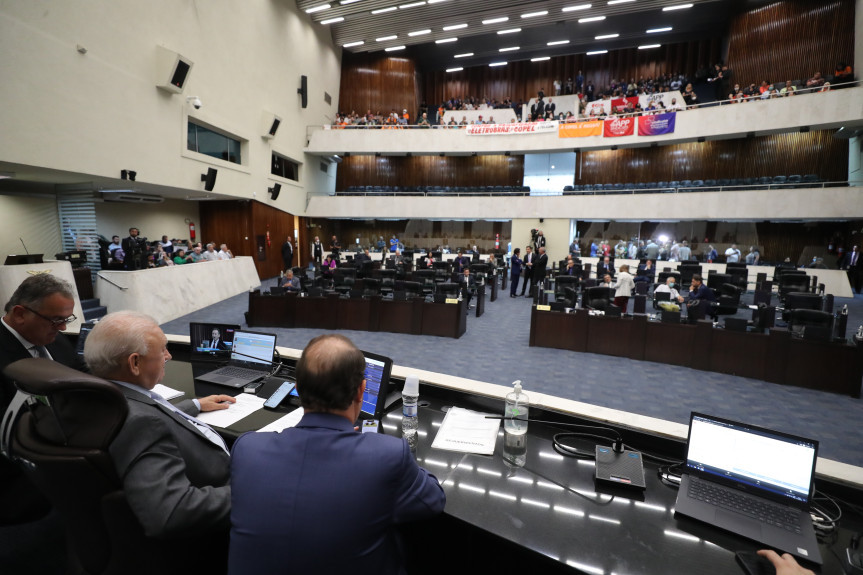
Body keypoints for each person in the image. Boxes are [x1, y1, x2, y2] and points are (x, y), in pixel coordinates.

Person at [228, 334, 445, 574]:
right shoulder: (388, 456)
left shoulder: (247, 449)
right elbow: (433, 500)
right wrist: (378, 451)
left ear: (297, 388)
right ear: (362, 390)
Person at [82, 311, 235, 569]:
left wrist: (195, 405)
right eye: (163, 350)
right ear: (134, 363)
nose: (169, 356)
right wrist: (253, 494)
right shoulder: (142, 425)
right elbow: (170, 513)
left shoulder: (99, 394)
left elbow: (146, 410)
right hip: (215, 505)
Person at [1, 275, 88, 524]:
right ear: (20, 314)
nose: (62, 328)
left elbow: (79, 370)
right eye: (56, 320)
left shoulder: (50, 336)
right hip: (21, 473)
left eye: (66, 319)